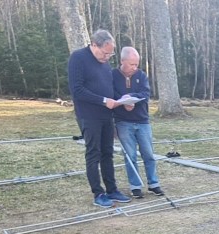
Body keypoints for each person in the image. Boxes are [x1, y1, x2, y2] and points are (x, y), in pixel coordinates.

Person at [67, 29, 131, 208]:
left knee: (107, 153)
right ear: (94, 45)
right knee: (93, 153)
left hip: (106, 115)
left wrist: (121, 100)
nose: (107, 57)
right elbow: (77, 90)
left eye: (110, 54)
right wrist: (103, 101)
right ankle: (98, 193)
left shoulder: (104, 63)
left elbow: (107, 87)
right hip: (89, 115)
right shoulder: (78, 58)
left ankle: (112, 189)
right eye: (105, 53)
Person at [112, 46, 164, 199]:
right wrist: (122, 102)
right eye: (132, 64)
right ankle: (135, 186)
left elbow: (145, 93)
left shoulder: (141, 75)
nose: (135, 67)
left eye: (136, 64)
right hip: (123, 122)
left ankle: (153, 183)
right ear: (122, 61)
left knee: (149, 154)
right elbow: (111, 94)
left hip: (142, 121)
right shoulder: (112, 75)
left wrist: (133, 98)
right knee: (130, 155)